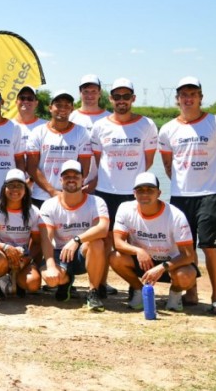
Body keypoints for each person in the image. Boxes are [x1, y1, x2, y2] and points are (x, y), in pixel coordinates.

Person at [158, 76, 216, 315]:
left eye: (193, 94)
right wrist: (183, 185)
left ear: (201, 97)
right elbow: (169, 166)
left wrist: (214, 186)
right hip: (181, 197)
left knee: (209, 246)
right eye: (184, 94)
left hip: (210, 194)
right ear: (177, 99)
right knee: (185, 247)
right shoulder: (167, 129)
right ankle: (191, 292)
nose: (188, 98)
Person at [89, 78, 158, 298]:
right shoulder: (100, 126)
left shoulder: (147, 125)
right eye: (117, 96)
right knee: (105, 240)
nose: (121, 100)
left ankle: (136, 286)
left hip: (135, 192)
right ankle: (100, 284)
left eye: (126, 96)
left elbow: (148, 160)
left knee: (135, 240)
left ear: (133, 98)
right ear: (110, 99)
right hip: (106, 191)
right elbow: (97, 159)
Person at [109, 172, 198, 312]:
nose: (145, 194)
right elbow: (118, 243)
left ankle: (175, 294)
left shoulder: (176, 215)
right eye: (140, 190)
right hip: (143, 261)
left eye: (150, 190)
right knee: (115, 258)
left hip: (171, 264)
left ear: (159, 193)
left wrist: (162, 267)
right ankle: (139, 291)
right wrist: (138, 251)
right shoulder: (125, 208)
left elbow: (188, 255)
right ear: (134, 193)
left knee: (186, 275)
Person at [38, 160, 109, 312]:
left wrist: (76, 240)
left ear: (83, 179)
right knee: (51, 280)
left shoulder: (96, 201)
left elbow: (103, 229)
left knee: (97, 242)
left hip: (83, 253)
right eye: (67, 176)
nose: (71, 179)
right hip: (60, 253)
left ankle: (93, 291)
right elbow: (46, 238)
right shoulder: (49, 205)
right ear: (60, 180)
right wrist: (51, 266)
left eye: (76, 176)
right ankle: (66, 281)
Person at [26, 89, 92, 208]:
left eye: (67, 105)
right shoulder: (38, 132)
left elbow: (84, 169)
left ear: (72, 109)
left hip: (71, 196)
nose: (63, 109)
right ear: (50, 108)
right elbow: (31, 167)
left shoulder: (81, 132)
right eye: (59, 105)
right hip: (41, 196)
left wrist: (69, 190)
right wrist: (52, 191)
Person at [0, 169, 42, 300]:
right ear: (4, 188)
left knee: (33, 284)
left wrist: (27, 259)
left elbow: (37, 242)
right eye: (11, 185)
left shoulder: (33, 211)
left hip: (22, 256)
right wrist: (5, 248)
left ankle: (16, 280)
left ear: (25, 190)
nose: (15, 189)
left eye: (19, 185)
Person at [69, 74, 111, 191]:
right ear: (80, 92)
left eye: (93, 91)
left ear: (100, 93)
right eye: (86, 91)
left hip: (103, 183)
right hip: (73, 183)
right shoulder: (71, 117)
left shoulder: (110, 118)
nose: (90, 95)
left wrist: (94, 182)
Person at [13, 85, 46, 169]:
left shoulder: (46, 126)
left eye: (30, 98)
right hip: (13, 176)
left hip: (39, 176)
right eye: (22, 98)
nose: (26, 101)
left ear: (36, 103)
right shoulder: (8, 126)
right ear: (16, 102)